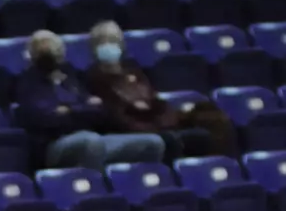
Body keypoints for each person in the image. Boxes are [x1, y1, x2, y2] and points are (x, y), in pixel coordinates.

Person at [15, 31, 166, 170]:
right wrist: (81, 109)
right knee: (91, 142)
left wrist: (69, 110)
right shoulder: (28, 83)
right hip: (54, 145)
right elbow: (47, 119)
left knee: (153, 143)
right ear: (33, 54)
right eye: (45, 50)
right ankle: (95, 187)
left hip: (93, 136)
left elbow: (99, 110)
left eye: (54, 49)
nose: (51, 54)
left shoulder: (70, 76)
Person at [85, 22, 233, 159]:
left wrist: (163, 117)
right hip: (137, 129)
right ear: (93, 47)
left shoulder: (134, 73)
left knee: (213, 120)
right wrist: (145, 115)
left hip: (158, 121)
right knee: (171, 140)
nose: (108, 45)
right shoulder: (94, 77)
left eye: (113, 40)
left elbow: (155, 100)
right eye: (102, 41)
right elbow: (116, 114)